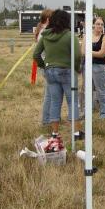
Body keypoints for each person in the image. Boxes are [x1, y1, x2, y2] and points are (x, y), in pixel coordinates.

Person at [33, 9, 81, 142]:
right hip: (67, 72)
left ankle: (55, 133)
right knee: (72, 101)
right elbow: (77, 55)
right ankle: (76, 133)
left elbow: (36, 54)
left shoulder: (45, 35)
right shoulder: (70, 36)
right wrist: (76, 68)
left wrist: (45, 66)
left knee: (55, 103)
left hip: (51, 73)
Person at [83, 17, 105, 119]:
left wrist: (89, 52)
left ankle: (104, 114)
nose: (100, 26)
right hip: (87, 66)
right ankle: (87, 111)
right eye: (98, 24)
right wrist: (93, 53)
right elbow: (82, 52)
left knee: (101, 90)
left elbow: (102, 54)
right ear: (93, 25)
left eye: (102, 24)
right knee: (87, 90)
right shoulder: (86, 36)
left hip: (99, 67)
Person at [35, 9, 54, 126]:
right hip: (47, 66)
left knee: (51, 94)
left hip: (46, 66)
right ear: (48, 20)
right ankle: (46, 120)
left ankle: (50, 118)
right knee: (49, 94)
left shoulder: (43, 31)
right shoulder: (44, 33)